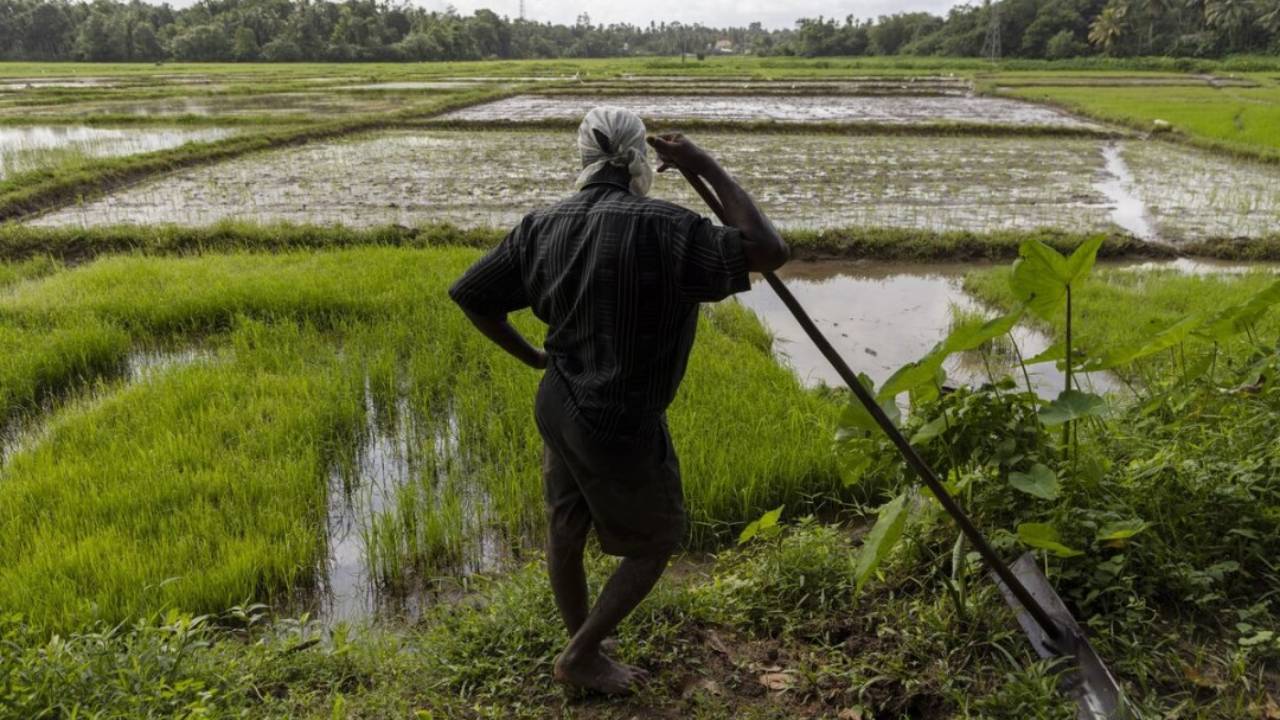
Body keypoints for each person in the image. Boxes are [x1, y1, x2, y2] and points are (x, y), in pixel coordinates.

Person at [448, 106, 788, 695]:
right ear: (639, 160)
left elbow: (473, 295)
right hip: (619, 414)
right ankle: (581, 656)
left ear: (583, 159)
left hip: (558, 402)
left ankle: (588, 648)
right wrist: (702, 163)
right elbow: (767, 250)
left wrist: (534, 356)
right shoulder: (668, 226)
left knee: (566, 525)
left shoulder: (542, 225)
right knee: (656, 540)